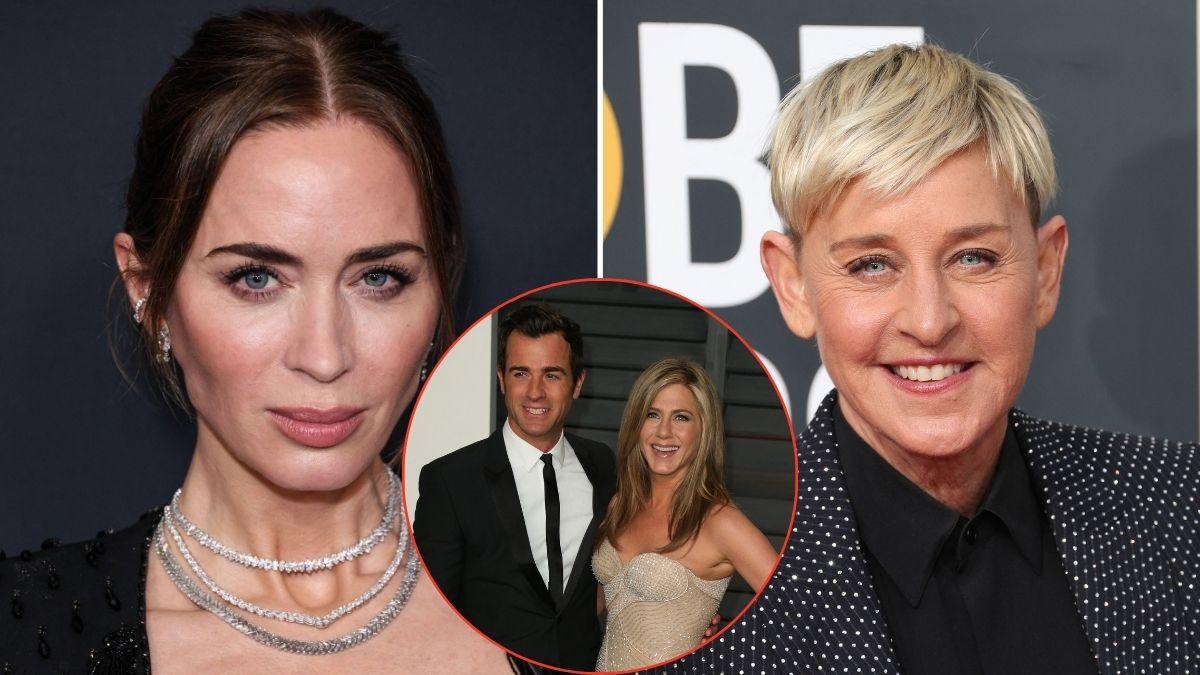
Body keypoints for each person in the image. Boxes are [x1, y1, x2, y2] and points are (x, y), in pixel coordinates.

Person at [661, 43, 1200, 674]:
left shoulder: (1179, 505)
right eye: (872, 265)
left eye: (974, 258)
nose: (928, 321)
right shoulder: (703, 587)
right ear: (794, 287)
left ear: (1046, 272)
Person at [0, 9, 508, 672]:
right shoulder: (22, 635)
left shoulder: (583, 607)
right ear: (148, 292)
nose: (324, 356)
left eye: (379, 277)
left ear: (439, 283)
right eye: (257, 278)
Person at [413, 304, 617, 670]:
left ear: (577, 384)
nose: (535, 392)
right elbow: (430, 614)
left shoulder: (602, 464)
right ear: (502, 379)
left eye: (552, 375)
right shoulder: (450, 480)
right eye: (521, 373)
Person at [592, 357, 777, 671]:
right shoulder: (620, 505)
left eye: (681, 417)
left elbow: (803, 618)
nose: (664, 432)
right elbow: (600, 604)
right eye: (652, 415)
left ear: (704, 429)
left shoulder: (720, 522)